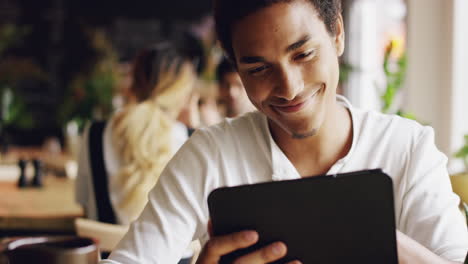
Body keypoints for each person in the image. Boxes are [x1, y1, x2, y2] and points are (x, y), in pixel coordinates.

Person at [101, 0, 468, 263]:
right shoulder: (211, 155)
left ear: (337, 34)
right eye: (259, 69)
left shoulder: (407, 149)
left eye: (304, 54)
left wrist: (370, 235)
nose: (290, 88)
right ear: (237, 70)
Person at [76, 42, 196, 225]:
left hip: (107, 253)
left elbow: (84, 205)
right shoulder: (191, 139)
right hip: (180, 255)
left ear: (134, 82)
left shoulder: (94, 134)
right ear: (183, 95)